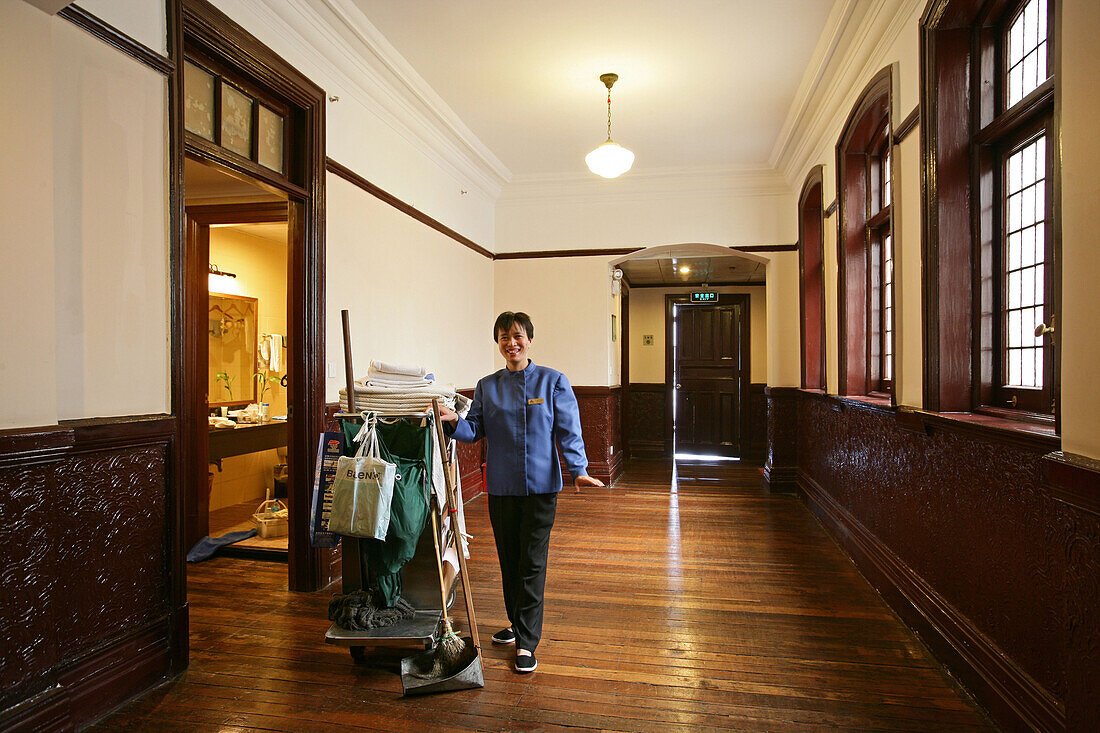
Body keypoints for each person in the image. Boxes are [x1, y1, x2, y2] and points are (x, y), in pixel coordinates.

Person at [438, 310, 604, 674]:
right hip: (500, 488)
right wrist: (454, 423)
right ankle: (517, 623)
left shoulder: (553, 381)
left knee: (531, 563)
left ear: (529, 339)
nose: (511, 343)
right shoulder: (487, 385)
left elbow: (568, 430)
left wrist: (578, 470)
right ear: (498, 343)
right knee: (509, 561)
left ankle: (527, 642)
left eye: (517, 336)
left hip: (542, 489)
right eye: (503, 337)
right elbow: (474, 430)